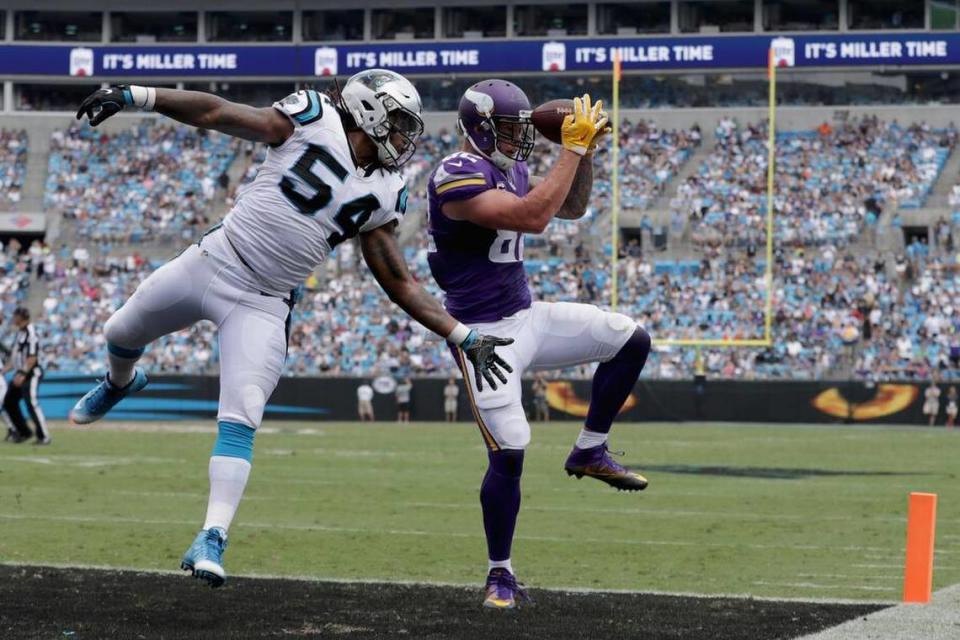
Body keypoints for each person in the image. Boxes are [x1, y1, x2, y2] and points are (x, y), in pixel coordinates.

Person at [69, 71, 514, 589]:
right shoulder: (313, 119)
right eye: (396, 124)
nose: (403, 138)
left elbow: (398, 280)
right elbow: (218, 112)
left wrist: (463, 335)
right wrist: (136, 95)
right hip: (213, 261)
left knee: (242, 415)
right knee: (118, 330)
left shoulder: (387, 190)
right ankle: (121, 382)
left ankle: (211, 537)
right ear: (367, 110)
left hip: (264, 303)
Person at [426, 81, 651, 610]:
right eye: (509, 130)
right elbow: (532, 217)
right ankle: (499, 573)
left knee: (630, 339)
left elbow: (569, 207)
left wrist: (585, 151)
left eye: (522, 130)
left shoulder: (513, 168)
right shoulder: (456, 173)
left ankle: (590, 448)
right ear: (480, 128)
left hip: (526, 315)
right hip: (484, 336)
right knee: (510, 450)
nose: (521, 142)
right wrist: (569, 149)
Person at [3, 307, 50, 445]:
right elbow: (16, 356)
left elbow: (32, 357)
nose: (13, 318)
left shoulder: (31, 332)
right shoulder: (20, 333)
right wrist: (6, 369)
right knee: (9, 402)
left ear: (20, 317)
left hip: (31, 373)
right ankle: (24, 432)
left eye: (15, 315)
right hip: (21, 372)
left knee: (32, 403)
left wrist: (23, 374)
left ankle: (44, 436)